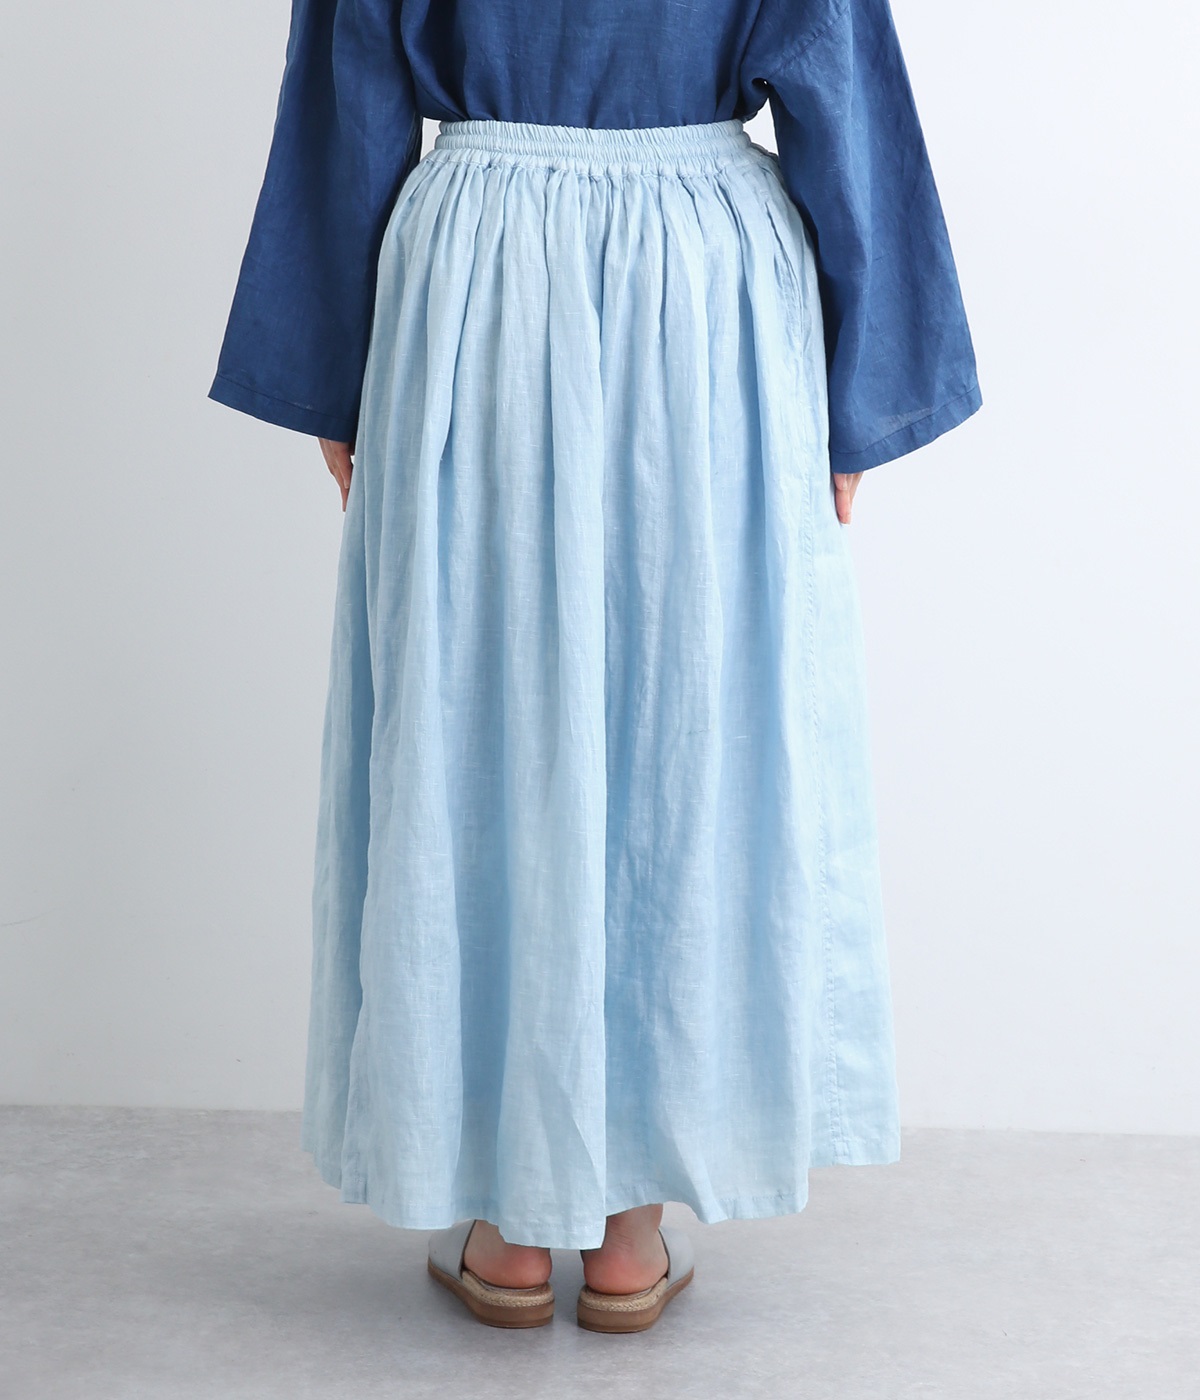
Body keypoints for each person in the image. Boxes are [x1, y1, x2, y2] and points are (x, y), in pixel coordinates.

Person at [208, 0, 981, 1333]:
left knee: (480, 719)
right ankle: (631, 1232)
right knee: (690, 725)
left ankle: (511, 1228)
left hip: (479, 277)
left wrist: (330, 366)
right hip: (705, 286)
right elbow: (839, 71)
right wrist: (865, 391)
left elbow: (348, 80)